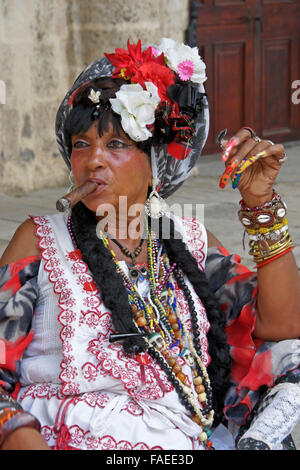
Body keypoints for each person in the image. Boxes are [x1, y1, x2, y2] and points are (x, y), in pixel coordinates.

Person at [0, 38, 299, 451]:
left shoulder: (191, 242)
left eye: (117, 144)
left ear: (155, 161)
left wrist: (261, 204)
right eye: (81, 144)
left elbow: (283, 326)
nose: (93, 160)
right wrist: (19, 433)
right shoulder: (39, 239)